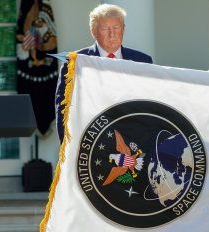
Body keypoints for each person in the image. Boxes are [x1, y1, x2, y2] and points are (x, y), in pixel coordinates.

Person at [55, 4, 153, 143]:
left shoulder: (143, 61)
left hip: (134, 144)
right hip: (90, 144)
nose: (112, 34)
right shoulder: (74, 63)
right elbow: (63, 110)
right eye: (105, 29)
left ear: (123, 29)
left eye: (116, 28)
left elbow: (150, 106)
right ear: (93, 31)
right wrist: (67, 148)